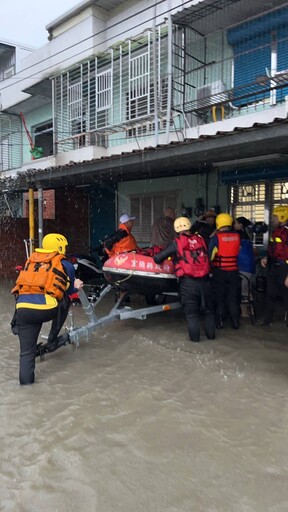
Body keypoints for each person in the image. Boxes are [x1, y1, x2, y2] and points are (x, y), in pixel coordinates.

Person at [11, 233, 83, 385]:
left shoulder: (31, 261)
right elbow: (68, 290)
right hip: (46, 308)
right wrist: (75, 286)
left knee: (26, 354)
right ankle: (52, 340)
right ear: (60, 247)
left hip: (22, 309)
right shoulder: (65, 264)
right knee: (65, 300)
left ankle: (26, 389)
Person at [154, 216, 215, 342]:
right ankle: (212, 339)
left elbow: (157, 258)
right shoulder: (201, 239)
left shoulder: (177, 243)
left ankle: (195, 344)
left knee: (192, 316)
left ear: (176, 229)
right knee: (209, 313)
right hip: (206, 282)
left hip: (189, 284)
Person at [209, 213, 241, 329]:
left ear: (218, 224)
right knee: (233, 297)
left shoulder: (215, 239)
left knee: (220, 297)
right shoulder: (237, 236)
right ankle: (235, 322)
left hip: (220, 272)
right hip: (234, 272)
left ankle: (220, 321)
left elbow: (210, 256)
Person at [260, 205, 288, 326]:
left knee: (286, 295)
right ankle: (267, 320)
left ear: (282, 217)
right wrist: (266, 258)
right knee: (270, 293)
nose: (272, 219)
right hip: (273, 267)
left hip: (284, 268)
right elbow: (272, 249)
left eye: (275, 217)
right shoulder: (275, 232)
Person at [234, 216, 256, 302]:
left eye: (235, 223)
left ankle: (246, 313)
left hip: (243, 266)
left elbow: (236, 249)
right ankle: (249, 311)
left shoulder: (239, 235)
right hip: (249, 266)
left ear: (241, 225)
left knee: (244, 292)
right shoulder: (246, 234)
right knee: (247, 290)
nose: (234, 225)